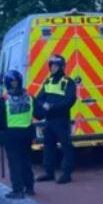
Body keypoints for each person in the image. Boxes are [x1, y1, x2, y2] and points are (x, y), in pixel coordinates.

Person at [34, 54, 77, 184]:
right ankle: (49, 172)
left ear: (61, 67)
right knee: (48, 146)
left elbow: (69, 100)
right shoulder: (48, 81)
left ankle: (67, 173)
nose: (52, 68)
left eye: (55, 65)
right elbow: (39, 98)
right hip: (49, 120)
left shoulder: (68, 82)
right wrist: (43, 106)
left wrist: (52, 107)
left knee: (66, 146)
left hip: (61, 119)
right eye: (51, 65)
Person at [0, 70, 35, 199]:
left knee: (15, 162)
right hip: (27, 133)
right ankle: (29, 187)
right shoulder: (29, 97)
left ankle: (18, 189)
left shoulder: (4, 99)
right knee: (26, 160)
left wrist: (0, 132)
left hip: (11, 134)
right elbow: (40, 113)